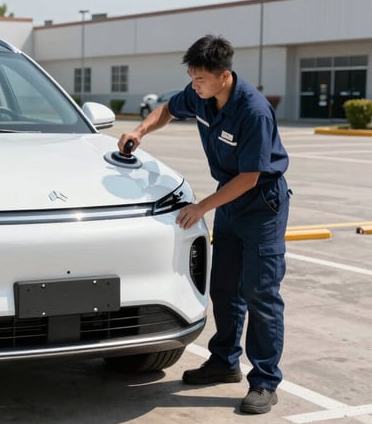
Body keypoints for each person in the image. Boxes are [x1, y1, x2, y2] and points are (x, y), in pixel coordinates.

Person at [119, 34, 290, 415]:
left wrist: (202, 207)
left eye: (200, 80)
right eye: (192, 78)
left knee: (261, 293)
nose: (194, 86)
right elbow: (167, 109)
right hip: (229, 201)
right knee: (225, 288)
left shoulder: (253, 111)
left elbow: (250, 175)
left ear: (224, 76)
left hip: (261, 204)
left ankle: (264, 381)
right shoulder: (199, 95)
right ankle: (224, 362)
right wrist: (140, 131)